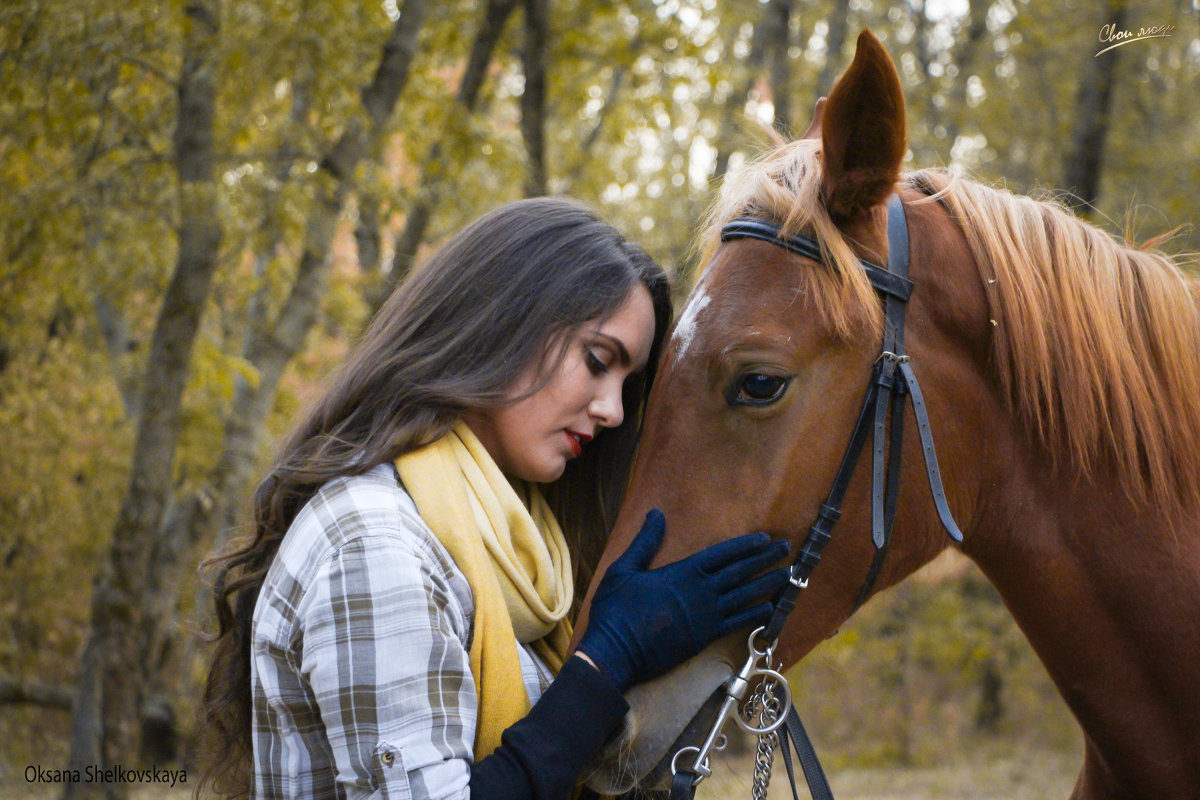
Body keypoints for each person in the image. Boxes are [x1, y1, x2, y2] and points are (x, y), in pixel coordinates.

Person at [198, 197, 790, 800]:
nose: (613, 411)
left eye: (626, 383)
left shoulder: (525, 550)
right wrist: (606, 660)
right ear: (503, 323)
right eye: (597, 360)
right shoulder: (375, 545)